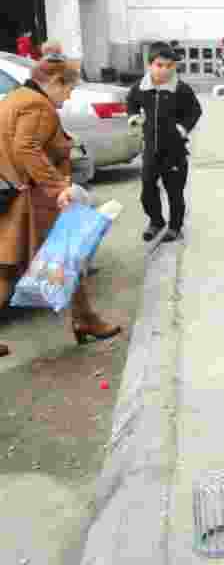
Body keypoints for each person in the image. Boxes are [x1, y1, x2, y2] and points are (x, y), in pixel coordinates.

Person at [0, 54, 121, 357]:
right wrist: (59, 187)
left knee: (11, 265)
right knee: (67, 254)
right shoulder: (37, 105)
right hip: (34, 197)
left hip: (17, 192)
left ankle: (85, 318)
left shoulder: (16, 97)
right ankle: (85, 319)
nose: (68, 98)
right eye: (69, 89)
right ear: (55, 82)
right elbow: (26, 147)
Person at [126, 42, 203, 244]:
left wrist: (182, 128)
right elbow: (131, 101)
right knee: (147, 190)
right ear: (150, 65)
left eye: (169, 66)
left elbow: (195, 110)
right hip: (151, 150)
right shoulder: (141, 88)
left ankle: (175, 227)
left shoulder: (181, 89)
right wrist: (133, 116)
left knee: (174, 192)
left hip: (175, 152)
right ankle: (156, 221)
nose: (164, 70)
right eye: (159, 65)